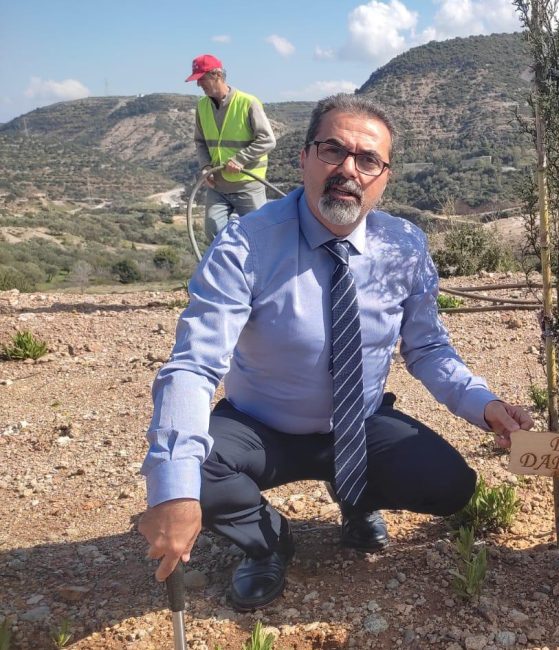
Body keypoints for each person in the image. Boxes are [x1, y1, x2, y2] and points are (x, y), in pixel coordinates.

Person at [138, 93, 533, 611]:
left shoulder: (404, 245)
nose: (349, 169)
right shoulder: (246, 244)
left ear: (384, 176)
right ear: (303, 158)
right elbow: (195, 364)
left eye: (368, 160)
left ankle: (356, 498)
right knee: (192, 476)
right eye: (333, 151)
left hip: (359, 423)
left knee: (450, 486)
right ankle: (268, 542)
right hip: (260, 426)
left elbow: (429, 348)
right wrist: (173, 489)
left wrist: (484, 405)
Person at [186, 54, 276, 243]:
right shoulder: (202, 106)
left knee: (259, 237)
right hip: (217, 186)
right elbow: (200, 141)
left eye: (202, 79)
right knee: (213, 231)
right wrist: (205, 167)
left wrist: (240, 159)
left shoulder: (247, 102)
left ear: (217, 75)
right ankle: (229, 270)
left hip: (247, 185)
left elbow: (268, 140)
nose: (199, 84)